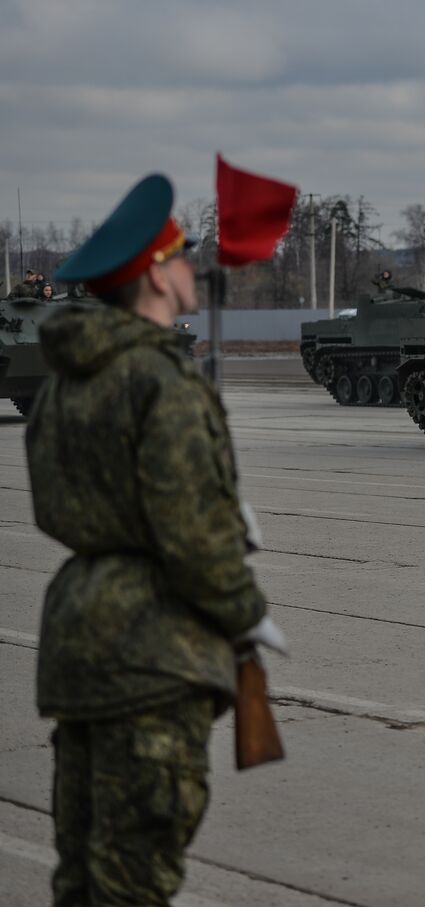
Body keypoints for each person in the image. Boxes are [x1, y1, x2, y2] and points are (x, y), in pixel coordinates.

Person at [29, 174, 270, 906]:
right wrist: (246, 613)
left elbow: (59, 507)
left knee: (81, 875)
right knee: (134, 879)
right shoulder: (160, 381)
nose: (193, 269)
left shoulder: (63, 381)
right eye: (181, 256)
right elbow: (193, 536)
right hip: (152, 653)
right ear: (157, 276)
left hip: (78, 638)